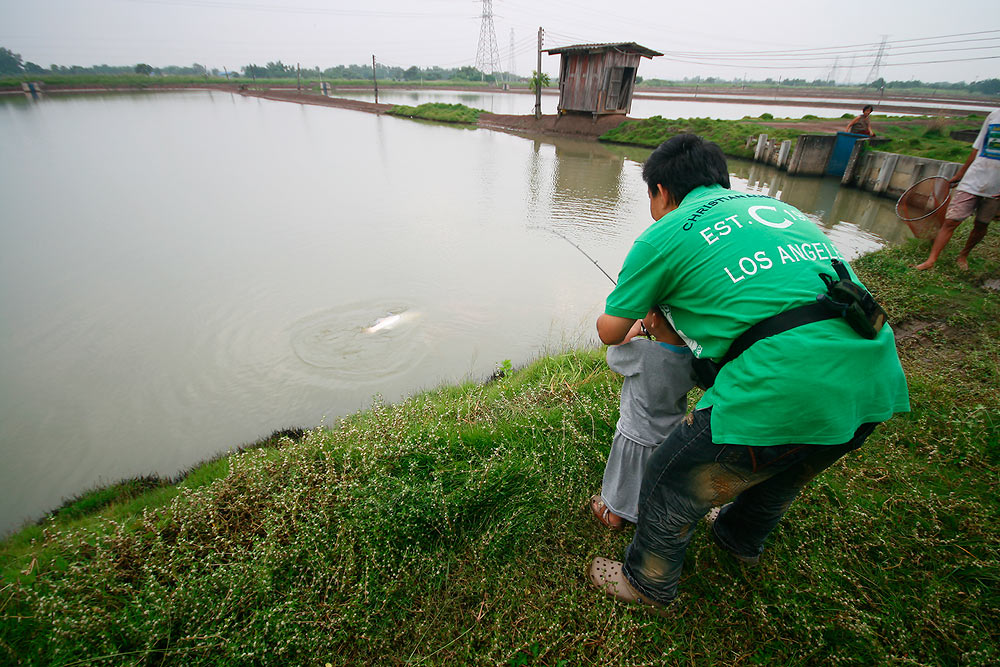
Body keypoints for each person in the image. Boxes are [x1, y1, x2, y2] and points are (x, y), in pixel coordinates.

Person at [587, 134, 910, 612]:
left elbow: (611, 332)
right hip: (871, 381)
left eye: (651, 197)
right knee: (787, 470)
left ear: (660, 191)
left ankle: (647, 583)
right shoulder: (782, 213)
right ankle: (739, 540)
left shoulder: (664, 233)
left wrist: (642, 318)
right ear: (720, 179)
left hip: (783, 386)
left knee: (670, 477)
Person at [590, 308, 696, 531]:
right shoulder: (692, 356)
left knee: (623, 477)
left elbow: (613, 356)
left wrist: (632, 330)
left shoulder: (643, 351)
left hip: (634, 433)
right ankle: (643, 508)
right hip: (667, 435)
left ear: (654, 320)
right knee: (652, 476)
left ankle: (615, 515)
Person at [914, 108, 1000, 271]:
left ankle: (963, 255)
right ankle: (931, 260)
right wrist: (960, 174)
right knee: (951, 220)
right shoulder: (994, 116)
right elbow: (976, 149)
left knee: (981, 224)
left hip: (996, 186)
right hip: (974, 178)